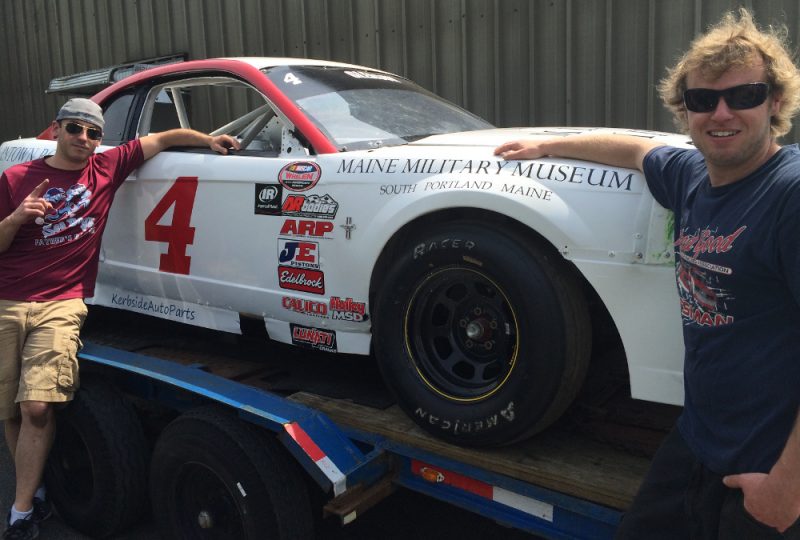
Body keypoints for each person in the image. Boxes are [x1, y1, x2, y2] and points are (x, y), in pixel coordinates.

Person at [495, 8, 800, 539]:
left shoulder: (788, 194)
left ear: (775, 102)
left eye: (743, 96)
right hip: (699, 437)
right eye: (703, 101)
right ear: (685, 112)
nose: (721, 113)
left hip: (769, 462)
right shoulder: (691, 177)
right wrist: (547, 145)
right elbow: (637, 150)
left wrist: (787, 489)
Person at [0, 97, 240, 539]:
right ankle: (31, 492)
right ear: (56, 129)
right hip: (7, 300)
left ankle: (19, 512)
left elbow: (164, 137)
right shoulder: (16, 178)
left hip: (61, 301)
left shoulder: (107, 168)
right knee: (11, 410)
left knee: (36, 407)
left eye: (93, 133)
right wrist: (16, 217)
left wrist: (209, 140)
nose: (85, 139)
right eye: (75, 129)